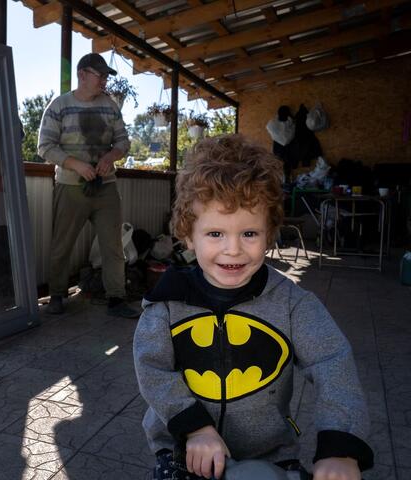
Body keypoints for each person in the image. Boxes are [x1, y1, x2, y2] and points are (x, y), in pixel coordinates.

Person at [133, 135, 373, 480]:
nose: (233, 250)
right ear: (188, 234)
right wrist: (194, 428)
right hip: (184, 449)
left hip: (271, 455)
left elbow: (333, 363)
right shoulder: (167, 303)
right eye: (215, 234)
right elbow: (151, 369)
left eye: (249, 234)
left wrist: (341, 445)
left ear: (270, 233)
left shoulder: (293, 304)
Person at [37, 53, 139, 318]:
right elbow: (44, 147)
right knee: (62, 243)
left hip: (105, 187)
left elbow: (123, 142)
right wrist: (76, 164)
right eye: (100, 75)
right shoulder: (59, 105)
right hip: (70, 186)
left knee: (113, 245)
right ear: (82, 75)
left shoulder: (111, 106)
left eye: (106, 76)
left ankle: (116, 298)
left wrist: (110, 157)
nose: (104, 81)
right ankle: (57, 295)